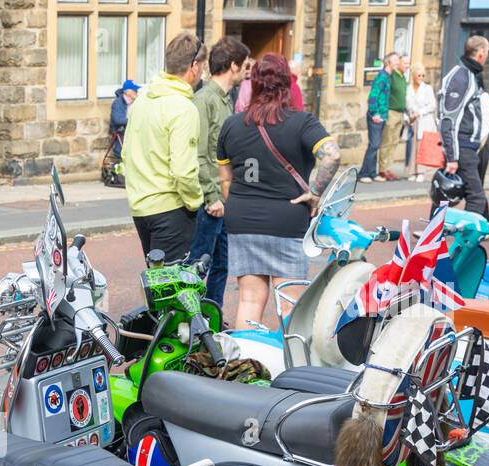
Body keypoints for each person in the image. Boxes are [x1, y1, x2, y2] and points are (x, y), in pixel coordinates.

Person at [217, 53, 341, 330]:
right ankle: (289, 367)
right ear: (287, 83)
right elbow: (331, 155)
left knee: (249, 300)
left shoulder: (232, 124)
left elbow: (225, 179)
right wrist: (316, 193)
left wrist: (241, 205)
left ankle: (247, 365)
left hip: (242, 217)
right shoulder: (303, 122)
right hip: (286, 218)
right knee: (290, 303)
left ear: (255, 84)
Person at [122, 32, 206, 260]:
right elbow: (183, 170)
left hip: (141, 207)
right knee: (172, 289)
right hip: (170, 209)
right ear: (194, 66)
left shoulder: (143, 100)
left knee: (156, 284)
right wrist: (195, 202)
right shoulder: (183, 108)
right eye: (202, 66)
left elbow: (126, 152)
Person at [188, 36, 249, 307]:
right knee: (197, 268)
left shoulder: (225, 99)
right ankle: (191, 327)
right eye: (245, 65)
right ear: (233, 65)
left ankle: (211, 322)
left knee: (222, 266)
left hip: (226, 200)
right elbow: (199, 153)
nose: (247, 70)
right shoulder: (204, 100)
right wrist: (212, 196)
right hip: (209, 203)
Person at [439, 35, 489, 217]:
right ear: (480, 53)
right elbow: (449, 119)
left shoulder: (469, 75)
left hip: (466, 146)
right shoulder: (462, 77)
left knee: (448, 190)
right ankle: (467, 241)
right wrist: (452, 157)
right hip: (462, 146)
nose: (487, 57)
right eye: (487, 52)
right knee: (476, 197)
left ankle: (433, 233)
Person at [361, 53, 395, 182]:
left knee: (377, 144)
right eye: (395, 60)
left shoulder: (388, 77)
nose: (398, 62)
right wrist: (375, 113)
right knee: (374, 144)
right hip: (376, 116)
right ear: (388, 63)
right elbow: (373, 95)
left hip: (382, 115)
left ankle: (372, 173)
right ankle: (363, 173)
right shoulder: (381, 77)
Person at [406, 65, 439, 182]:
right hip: (414, 121)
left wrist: (419, 112)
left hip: (425, 120)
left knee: (423, 147)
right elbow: (408, 105)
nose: (421, 77)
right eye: (419, 75)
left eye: (423, 75)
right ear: (414, 76)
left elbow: (433, 105)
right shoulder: (408, 88)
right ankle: (412, 171)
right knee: (413, 147)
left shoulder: (427, 88)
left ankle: (421, 172)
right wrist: (410, 115)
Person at [109, 79, 139, 159]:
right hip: (121, 134)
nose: (137, 92)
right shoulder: (117, 103)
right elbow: (117, 120)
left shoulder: (136, 102)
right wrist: (133, 120)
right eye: (135, 90)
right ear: (128, 92)